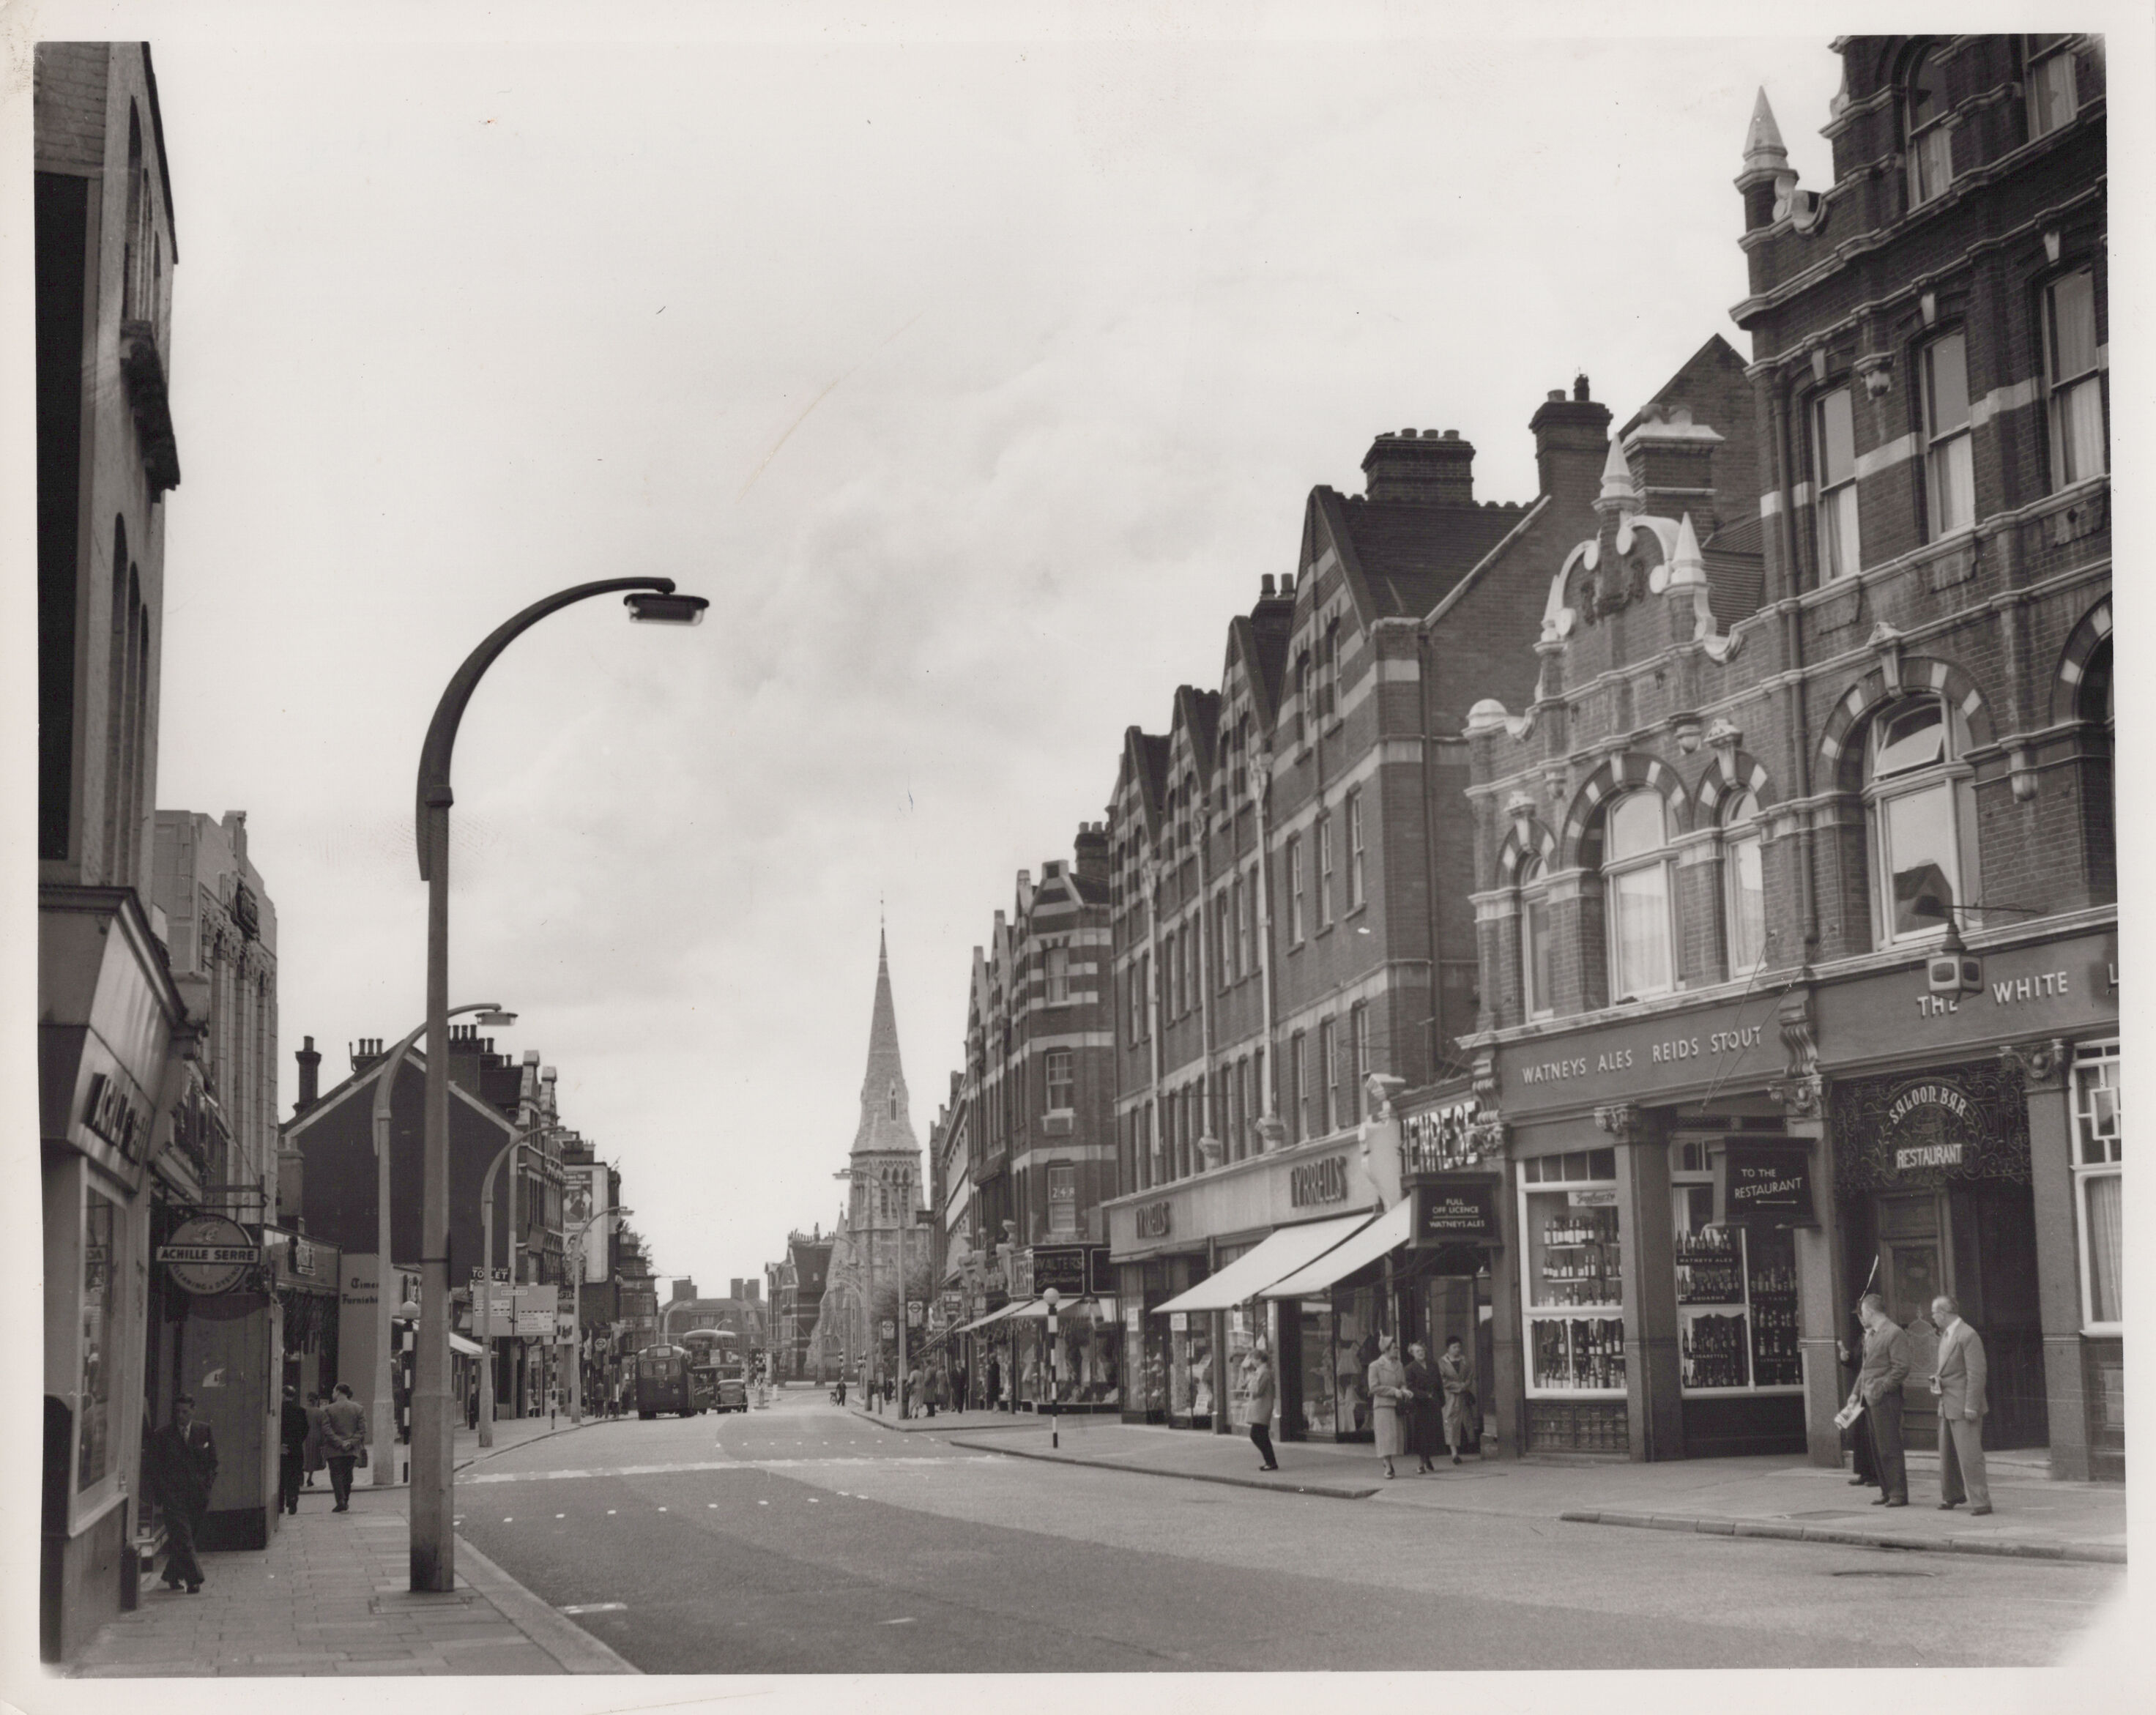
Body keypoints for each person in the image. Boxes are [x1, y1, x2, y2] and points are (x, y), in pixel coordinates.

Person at [145, 1395, 218, 1592]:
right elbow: (155, 1468)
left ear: (193, 1411)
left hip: (197, 1496)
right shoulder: (163, 1435)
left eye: (185, 1412)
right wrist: (164, 1493)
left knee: (186, 1538)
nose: (181, 1416)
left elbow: (213, 1463)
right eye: (177, 1412)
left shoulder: (204, 1431)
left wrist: (207, 1486)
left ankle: (172, 1574)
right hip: (173, 1497)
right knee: (184, 1538)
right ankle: (194, 1579)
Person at [1846, 1292, 1910, 1508]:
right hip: (1870, 1398)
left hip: (1886, 1399)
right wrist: (1855, 1394)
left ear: (1871, 1311)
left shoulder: (1894, 1333)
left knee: (1889, 1447)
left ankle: (1898, 1493)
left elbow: (1901, 1367)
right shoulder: (1871, 1335)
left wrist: (1883, 1387)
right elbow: (1865, 1369)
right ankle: (1887, 1490)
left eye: (1863, 1312)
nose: (1862, 1317)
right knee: (1877, 1447)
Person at [1931, 1294, 1993, 1515]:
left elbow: (1977, 1373)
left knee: (1970, 1456)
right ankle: (1952, 1495)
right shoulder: (1946, 1335)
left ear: (1943, 1314)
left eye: (1934, 1314)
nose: (1933, 1318)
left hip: (1964, 1405)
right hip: (1947, 1403)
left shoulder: (1968, 1335)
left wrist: (1972, 1406)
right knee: (1947, 1455)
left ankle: (1981, 1502)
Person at [320, 1381, 368, 1511]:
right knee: (348, 1475)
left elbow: (326, 1429)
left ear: (339, 1392)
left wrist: (339, 1443)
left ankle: (340, 1500)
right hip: (351, 1450)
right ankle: (345, 1499)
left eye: (334, 1391)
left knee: (336, 1475)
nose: (333, 1394)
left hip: (334, 1449)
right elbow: (362, 1430)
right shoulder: (358, 1408)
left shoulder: (328, 1409)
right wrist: (351, 1442)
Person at [1367, 1334, 1408, 1480]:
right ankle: (1388, 1465)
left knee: (1394, 1438)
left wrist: (1404, 1390)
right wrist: (1393, 1391)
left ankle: (1388, 1462)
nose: (1397, 1350)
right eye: (1394, 1348)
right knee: (1385, 1437)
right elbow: (1373, 1388)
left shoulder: (1399, 1365)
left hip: (1396, 1405)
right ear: (1386, 1350)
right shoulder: (1375, 1366)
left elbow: (1402, 1382)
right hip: (1383, 1406)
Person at [1438, 1336, 1476, 1465]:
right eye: (1454, 1347)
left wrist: (1466, 1385)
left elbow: (1470, 1376)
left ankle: (1467, 1447)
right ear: (1448, 1348)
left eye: (1459, 1347)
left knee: (1465, 1421)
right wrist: (1459, 1387)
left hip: (1463, 1396)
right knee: (1450, 1422)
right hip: (1450, 1397)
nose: (1457, 1350)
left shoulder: (1465, 1361)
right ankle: (1454, 1453)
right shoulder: (1442, 1363)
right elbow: (1442, 1381)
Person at [1242, 1342, 1279, 1471]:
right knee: (1261, 1435)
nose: (1251, 1361)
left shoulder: (1264, 1373)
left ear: (1257, 1359)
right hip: (1260, 1407)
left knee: (1257, 1434)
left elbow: (1258, 1391)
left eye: (1252, 1358)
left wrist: (1251, 1381)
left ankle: (1271, 1461)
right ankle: (1270, 1461)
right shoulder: (1261, 1372)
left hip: (1262, 1407)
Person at [1403, 1342, 1438, 1473]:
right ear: (1412, 1353)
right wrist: (1424, 1395)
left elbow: (1438, 1382)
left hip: (1433, 1404)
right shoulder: (1410, 1368)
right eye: (1418, 1351)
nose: (1421, 1353)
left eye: (1422, 1350)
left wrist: (1441, 1400)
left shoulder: (1433, 1365)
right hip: (1419, 1405)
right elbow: (1410, 1387)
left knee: (1431, 1433)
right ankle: (1421, 1463)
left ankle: (1427, 1458)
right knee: (1421, 1435)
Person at [278, 1385, 311, 1515]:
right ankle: (292, 1501)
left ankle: (279, 1504)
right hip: (296, 1449)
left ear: (283, 1395)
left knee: (280, 1477)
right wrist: (296, 1443)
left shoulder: (280, 1410)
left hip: (281, 1448)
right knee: (294, 1476)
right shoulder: (300, 1411)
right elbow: (305, 1430)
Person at [302, 1390, 327, 1487]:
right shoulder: (320, 1412)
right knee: (313, 1458)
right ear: (316, 1401)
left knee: (303, 1457)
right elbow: (324, 1427)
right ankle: (310, 1478)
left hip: (303, 1437)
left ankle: (301, 1478)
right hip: (316, 1437)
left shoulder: (302, 1410)